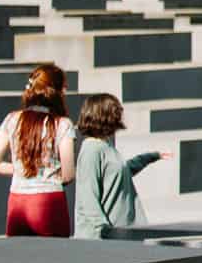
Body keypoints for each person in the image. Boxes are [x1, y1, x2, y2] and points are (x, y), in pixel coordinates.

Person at [0, 62, 78, 237]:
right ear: (56, 92)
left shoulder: (11, 119)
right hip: (49, 202)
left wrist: (22, 169)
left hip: (17, 201)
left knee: (18, 260)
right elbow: (68, 174)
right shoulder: (63, 125)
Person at [72, 92, 173, 239]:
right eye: (115, 112)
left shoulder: (106, 145)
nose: (119, 116)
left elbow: (120, 172)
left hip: (118, 232)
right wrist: (103, 229)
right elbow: (88, 195)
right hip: (101, 238)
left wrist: (151, 157)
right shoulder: (92, 149)